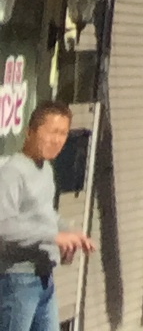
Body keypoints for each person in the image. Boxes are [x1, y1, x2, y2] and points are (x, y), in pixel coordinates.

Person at [0, 105, 92, 331]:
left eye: (63, 134)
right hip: (17, 280)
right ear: (30, 132)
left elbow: (45, 214)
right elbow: (4, 225)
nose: (57, 140)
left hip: (44, 277)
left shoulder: (46, 169)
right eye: (52, 132)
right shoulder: (13, 172)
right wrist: (53, 236)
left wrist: (68, 231)